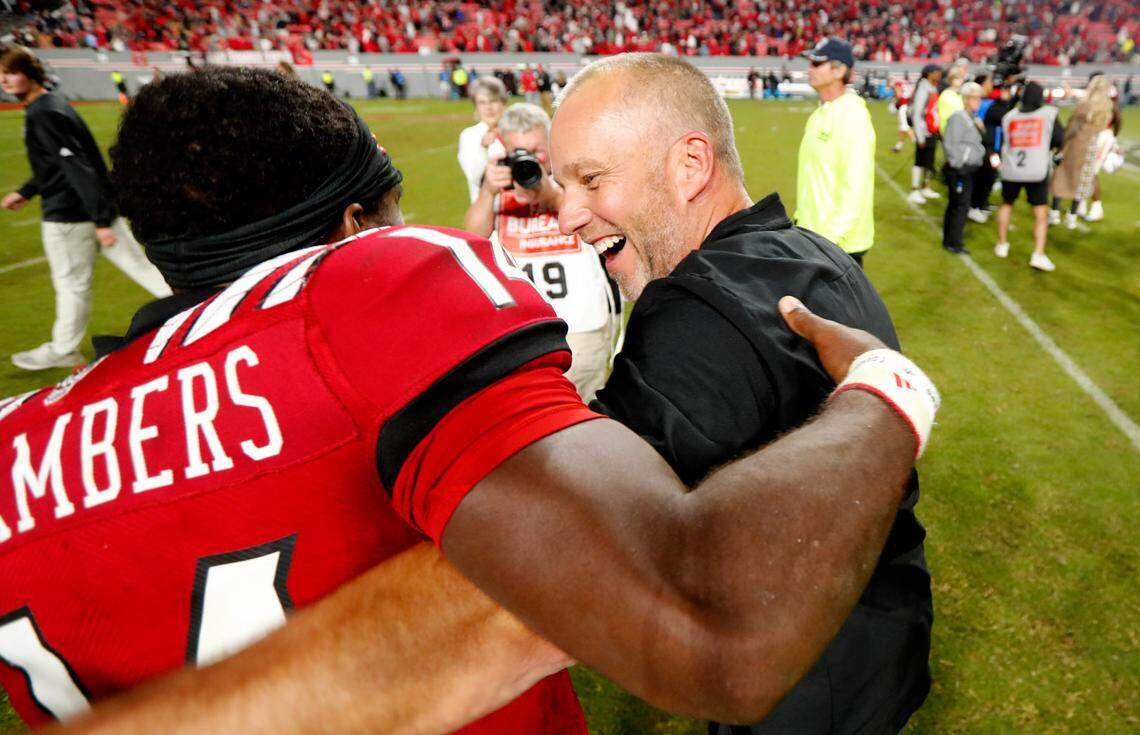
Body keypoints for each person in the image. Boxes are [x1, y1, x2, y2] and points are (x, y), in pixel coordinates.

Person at [2, 66, 939, 735]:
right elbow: (701, 613)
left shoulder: (16, 447)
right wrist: (888, 391)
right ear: (353, 228)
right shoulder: (367, 292)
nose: (568, 210)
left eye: (591, 180)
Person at [553, 53, 933, 735]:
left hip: (801, 684)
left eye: (591, 179)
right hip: (882, 637)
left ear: (690, 165)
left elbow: (584, 536)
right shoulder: (814, 251)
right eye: (561, 183)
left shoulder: (694, 314)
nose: (568, 214)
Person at [0, 44, 169, 372]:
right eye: (1, 74)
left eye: (11, 73)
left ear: (29, 74)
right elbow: (57, 164)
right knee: (144, 268)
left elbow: (76, 166)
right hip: (95, 210)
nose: (4, 80)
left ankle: (63, 348)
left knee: (71, 285)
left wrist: (100, 220)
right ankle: (211, 311)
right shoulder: (53, 105)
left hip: (72, 217)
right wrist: (27, 190)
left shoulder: (43, 111)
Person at [463, 103, 615, 401]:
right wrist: (486, 192)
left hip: (581, 327)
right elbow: (471, 240)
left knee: (585, 412)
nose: (530, 159)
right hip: (522, 332)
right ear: (504, 149)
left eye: (537, 150)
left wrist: (550, 194)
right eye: (520, 151)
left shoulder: (572, 179)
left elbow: (599, 222)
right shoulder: (497, 187)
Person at [795, 38, 875, 267]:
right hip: (812, 238)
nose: (810, 68)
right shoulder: (819, 115)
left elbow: (855, 186)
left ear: (839, 70)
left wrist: (829, 241)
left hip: (837, 247)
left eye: (818, 63)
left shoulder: (853, 116)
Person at [995, 82, 1064, 271]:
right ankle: (1038, 254)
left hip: (1011, 168)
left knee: (1006, 204)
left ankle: (1002, 244)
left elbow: (1003, 142)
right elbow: (1060, 139)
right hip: (1036, 169)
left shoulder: (1009, 116)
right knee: (1040, 213)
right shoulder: (1048, 113)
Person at [1050, 75, 1115, 228]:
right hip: (1093, 146)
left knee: (1062, 176)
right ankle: (1072, 216)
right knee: (1083, 179)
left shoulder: (1085, 105)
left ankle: (1054, 213)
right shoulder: (1107, 106)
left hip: (1076, 143)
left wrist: (1062, 146)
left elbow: (1072, 128)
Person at [941, 82, 987, 254]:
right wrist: (958, 164)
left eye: (980, 98)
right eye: (975, 98)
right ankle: (954, 242)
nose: (978, 101)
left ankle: (950, 240)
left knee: (957, 204)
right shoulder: (959, 117)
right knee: (960, 205)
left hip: (966, 169)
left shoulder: (971, 117)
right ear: (966, 99)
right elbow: (950, 143)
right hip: (959, 170)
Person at [457, 76, 508, 203]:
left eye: (493, 101)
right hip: (487, 211)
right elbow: (474, 176)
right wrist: (482, 148)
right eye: (482, 102)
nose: (488, 107)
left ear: (503, 103)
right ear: (476, 106)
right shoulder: (469, 136)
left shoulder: (517, 130)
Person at [909, 64, 943, 204]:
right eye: (937, 72)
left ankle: (925, 186)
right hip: (924, 132)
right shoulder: (923, 89)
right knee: (920, 161)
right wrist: (920, 135)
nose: (940, 75)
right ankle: (915, 189)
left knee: (929, 161)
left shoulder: (932, 88)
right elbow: (917, 113)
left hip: (932, 130)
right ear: (929, 74)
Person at [967, 73, 998, 223]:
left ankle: (981, 203)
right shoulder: (984, 104)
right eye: (989, 81)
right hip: (984, 147)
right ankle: (974, 206)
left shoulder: (989, 101)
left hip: (992, 146)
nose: (991, 84)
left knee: (990, 175)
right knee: (984, 176)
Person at [890, 77, 914, 153]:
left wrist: (896, 103)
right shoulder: (906, 84)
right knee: (902, 129)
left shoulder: (897, 84)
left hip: (903, 107)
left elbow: (899, 95)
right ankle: (898, 146)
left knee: (905, 127)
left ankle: (918, 143)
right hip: (909, 106)